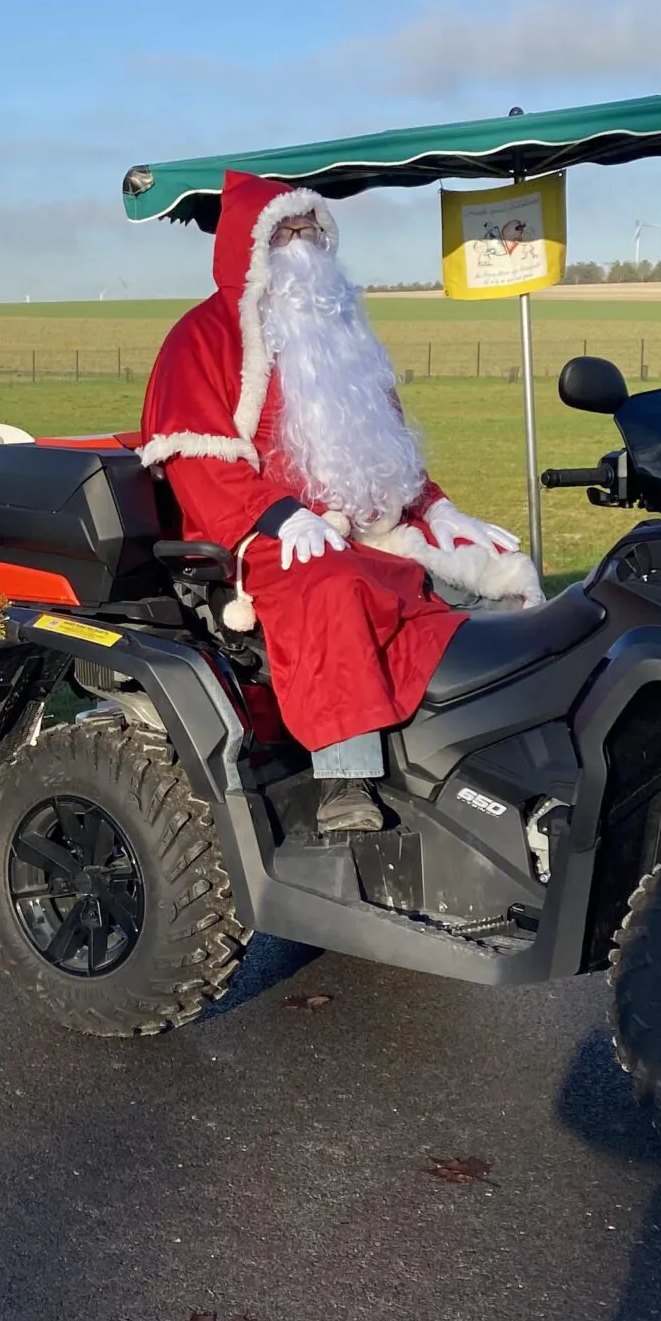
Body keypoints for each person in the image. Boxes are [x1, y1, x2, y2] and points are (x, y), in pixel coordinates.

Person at [140, 172, 539, 837]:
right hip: (266, 539)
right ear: (250, 246)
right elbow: (197, 461)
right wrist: (279, 516)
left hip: (371, 526)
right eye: (284, 233)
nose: (301, 245)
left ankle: (481, 757)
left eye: (309, 231)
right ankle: (344, 776)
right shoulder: (205, 337)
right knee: (331, 585)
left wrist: (439, 512)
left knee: (488, 572)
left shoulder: (344, 334)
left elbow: (386, 452)